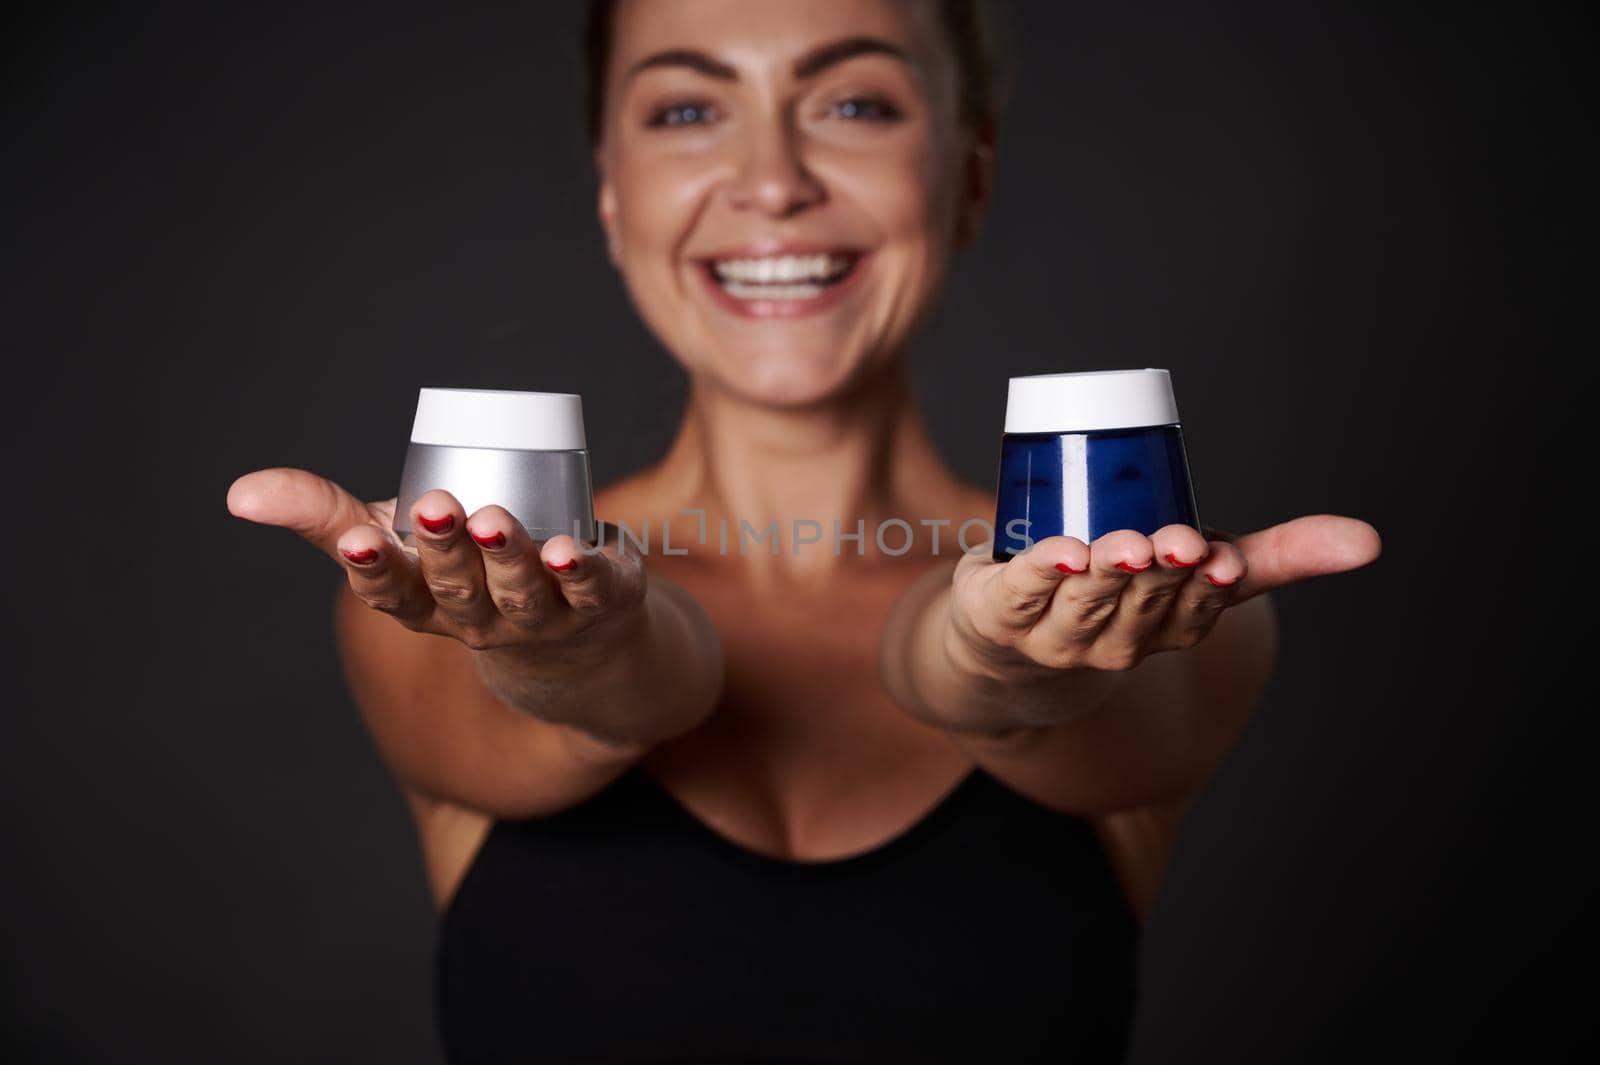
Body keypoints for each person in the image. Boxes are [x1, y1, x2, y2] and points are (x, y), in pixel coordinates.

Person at [227, 0, 1381, 1060]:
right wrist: (566, 652)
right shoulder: (445, 599)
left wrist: (995, 667)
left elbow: (963, 666)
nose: (771, 181)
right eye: (687, 109)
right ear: (613, 193)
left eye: (852, 104)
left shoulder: (1167, 612)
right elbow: (640, 679)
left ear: (967, 178)